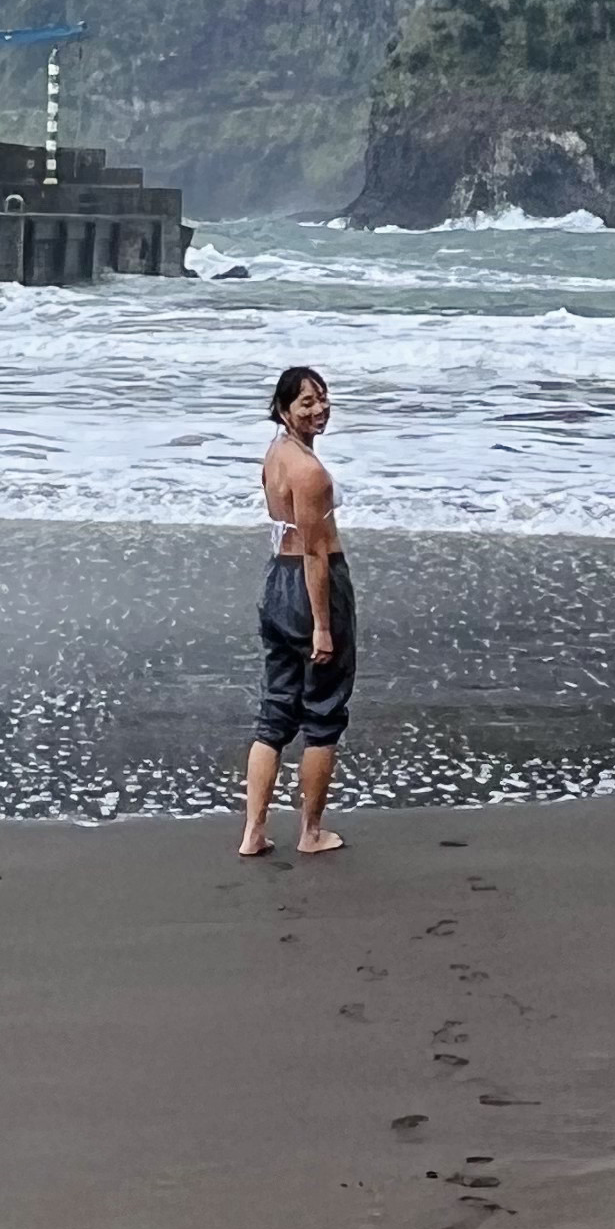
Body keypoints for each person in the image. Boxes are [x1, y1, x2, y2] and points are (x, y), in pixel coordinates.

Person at [242, 362, 352, 857]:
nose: (319, 408)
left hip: (277, 582)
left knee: (275, 712)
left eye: (322, 398)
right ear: (284, 411)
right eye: (306, 402)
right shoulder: (310, 473)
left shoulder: (276, 455)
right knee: (323, 712)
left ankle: (253, 833)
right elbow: (314, 554)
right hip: (311, 586)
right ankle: (310, 832)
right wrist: (324, 627)